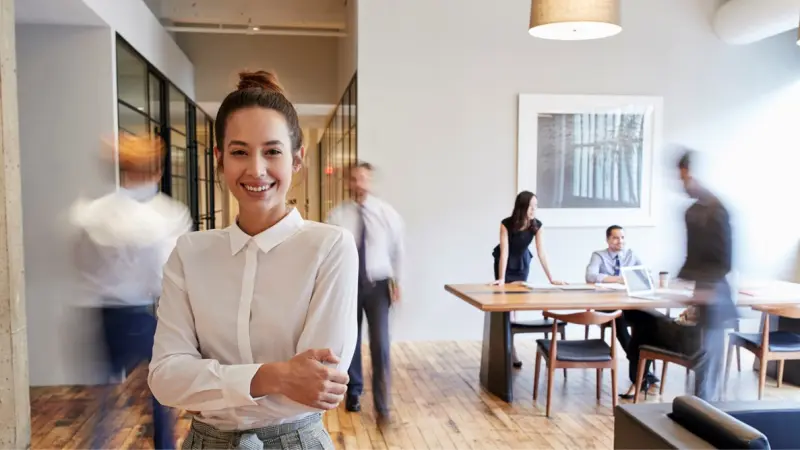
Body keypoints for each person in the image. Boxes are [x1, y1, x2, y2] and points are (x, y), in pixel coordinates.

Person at [148, 71, 358, 450]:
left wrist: (208, 386)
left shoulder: (330, 247)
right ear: (220, 159)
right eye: (240, 151)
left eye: (272, 151)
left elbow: (320, 385)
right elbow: (165, 379)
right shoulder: (190, 252)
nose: (256, 169)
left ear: (297, 159)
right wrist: (276, 375)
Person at [71, 133, 192, 449]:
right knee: (160, 392)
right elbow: (167, 274)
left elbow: (81, 264)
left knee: (104, 402)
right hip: (140, 312)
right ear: (157, 171)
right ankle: (165, 445)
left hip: (101, 315)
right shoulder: (166, 216)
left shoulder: (92, 213)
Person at [326, 161, 404, 426]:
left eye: (363, 178)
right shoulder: (337, 215)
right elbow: (330, 253)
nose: (358, 183)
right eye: (354, 179)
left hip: (379, 285)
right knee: (351, 341)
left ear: (369, 182)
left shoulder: (386, 214)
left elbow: (398, 250)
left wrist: (398, 282)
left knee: (381, 344)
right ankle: (354, 392)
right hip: (348, 285)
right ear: (348, 183)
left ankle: (383, 406)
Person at [491, 190, 565, 367]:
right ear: (521, 206)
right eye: (530, 206)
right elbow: (505, 252)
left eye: (536, 206)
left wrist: (552, 278)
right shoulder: (506, 224)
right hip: (505, 263)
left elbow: (541, 252)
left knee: (515, 305)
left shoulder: (537, 225)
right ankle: (511, 350)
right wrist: (501, 278)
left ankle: (511, 346)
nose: (533, 210)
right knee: (506, 307)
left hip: (522, 264)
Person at [585, 225, 659, 394]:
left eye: (622, 238)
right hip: (607, 305)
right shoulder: (599, 256)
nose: (620, 242)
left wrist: (640, 275)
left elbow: (644, 274)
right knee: (618, 320)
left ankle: (640, 372)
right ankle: (642, 370)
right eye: (616, 238)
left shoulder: (630, 255)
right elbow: (590, 276)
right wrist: (618, 279)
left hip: (629, 303)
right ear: (608, 240)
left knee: (649, 320)